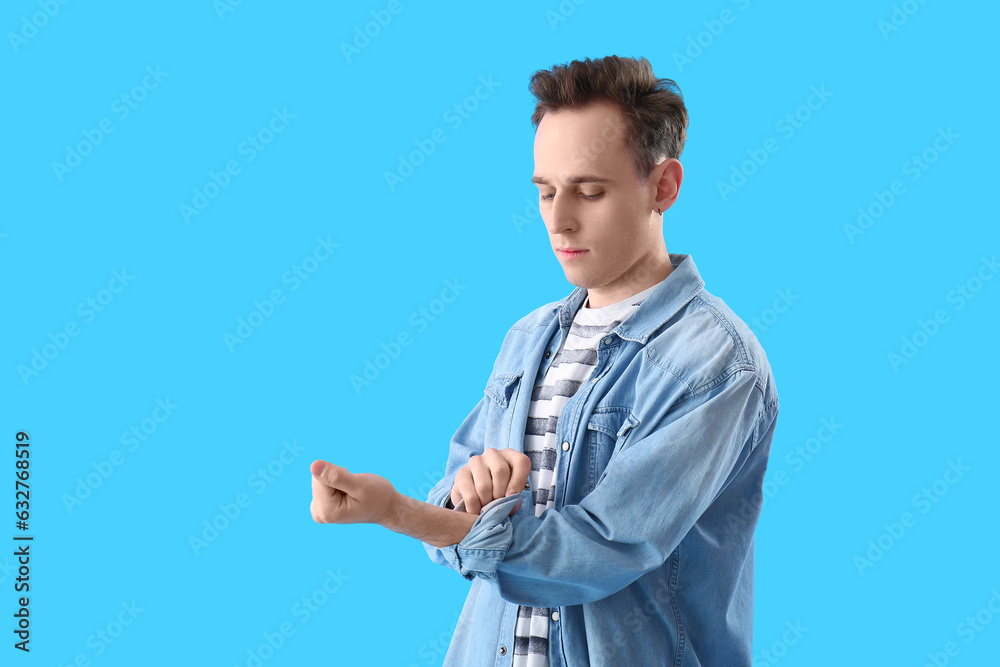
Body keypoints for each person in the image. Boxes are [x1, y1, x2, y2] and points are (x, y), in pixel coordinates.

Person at [309, 55, 780, 666]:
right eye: (546, 191)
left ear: (663, 186)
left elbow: (600, 552)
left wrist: (397, 513)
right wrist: (464, 497)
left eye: (590, 191)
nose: (559, 220)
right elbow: (459, 503)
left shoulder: (715, 366)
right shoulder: (528, 338)